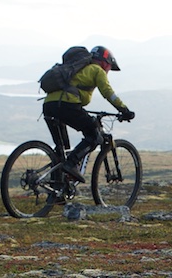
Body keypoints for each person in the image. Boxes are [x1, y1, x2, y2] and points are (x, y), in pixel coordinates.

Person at [41, 45, 133, 185]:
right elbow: (108, 92)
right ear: (104, 62)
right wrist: (124, 110)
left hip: (49, 106)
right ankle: (72, 164)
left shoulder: (75, 69)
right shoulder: (96, 70)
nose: (108, 71)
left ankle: (57, 192)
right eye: (109, 67)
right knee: (94, 135)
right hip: (67, 105)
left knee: (61, 150)